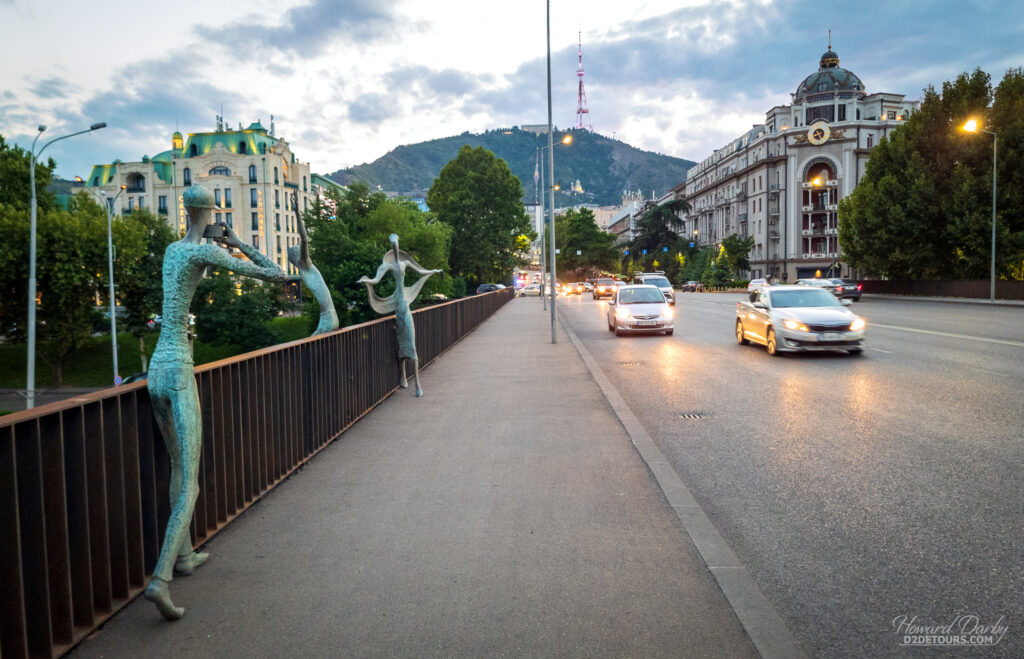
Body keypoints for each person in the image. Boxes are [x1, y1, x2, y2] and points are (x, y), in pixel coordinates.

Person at [144, 185, 290, 620]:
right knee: (191, 480)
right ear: (209, 211)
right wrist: (235, 242)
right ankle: (159, 580)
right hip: (179, 371)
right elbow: (277, 274)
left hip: (154, 369)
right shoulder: (199, 253)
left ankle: (185, 556)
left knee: (175, 466)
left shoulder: (172, 251)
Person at [358, 234, 441, 397]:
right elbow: (376, 280)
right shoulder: (387, 266)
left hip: (404, 305)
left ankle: (417, 384)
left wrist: (435, 271)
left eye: (396, 244)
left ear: (398, 246)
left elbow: (421, 270)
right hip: (397, 304)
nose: (395, 247)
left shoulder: (406, 263)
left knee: (411, 345)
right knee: (401, 343)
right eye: (392, 245)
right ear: (392, 248)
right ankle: (403, 377)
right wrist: (366, 281)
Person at [286, 192, 338, 335]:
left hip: (327, 317)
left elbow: (304, 239)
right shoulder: (305, 268)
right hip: (328, 315)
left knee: (311, 345)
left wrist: (296, 212)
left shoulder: (306, 264)